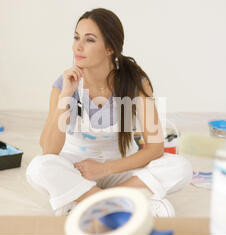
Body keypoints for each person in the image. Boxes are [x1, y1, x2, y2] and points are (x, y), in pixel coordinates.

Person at [26, 8, 192, 217]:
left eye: (89, 40)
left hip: (120, 169)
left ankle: (84, 202)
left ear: (109, 48)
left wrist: (105, 169)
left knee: (180, 167)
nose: (78, 46)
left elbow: (155, 148)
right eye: (76, 37)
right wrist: (66, 96)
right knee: (38, 168)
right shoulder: (64, 84)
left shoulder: (135, 82)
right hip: (77, 168)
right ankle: (128, 202)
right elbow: (49, 149)